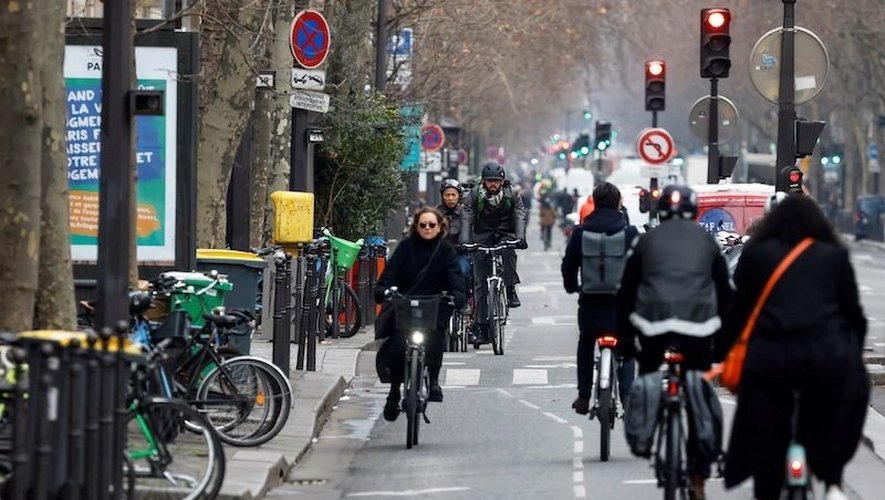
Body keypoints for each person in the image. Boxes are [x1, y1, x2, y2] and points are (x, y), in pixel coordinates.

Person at [718, 194, 868, 500]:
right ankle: (833, 479)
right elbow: (854, 316)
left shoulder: (757, 254)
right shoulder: (833, 255)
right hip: (823, 360)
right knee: (838, 410)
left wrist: (722, 351)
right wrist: (852, 351)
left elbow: (739, 312)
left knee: (763, 434)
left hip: (770, 361)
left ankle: (766, 484)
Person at [616, 184, 733, 500]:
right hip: (699, 326)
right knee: (699, 391)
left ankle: (647, 431)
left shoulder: (645, 241)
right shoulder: (707, 242)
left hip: (653, 325)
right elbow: (725, 294)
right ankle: (698, 474)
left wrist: (626, 342)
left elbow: (626, 292)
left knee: (649, 372)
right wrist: (724, 345)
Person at [375, 207, 466, 422]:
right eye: (423, 225)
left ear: (440, 227)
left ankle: (433, 382)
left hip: (434, 305)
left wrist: (457, 294)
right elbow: (390, 273)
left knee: (436, 337)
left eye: (431, 225)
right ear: (416, 226)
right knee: (397, 345)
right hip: (406, 304)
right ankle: (393, 392)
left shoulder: (445, 251)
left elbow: (455, 277)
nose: (427, 228)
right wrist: (383, 289)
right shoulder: (405, 248)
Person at [561, 182, 639, 415]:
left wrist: (572, 287)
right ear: (618, 204)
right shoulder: (629, 233)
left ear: (594, 202)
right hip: (622, 304)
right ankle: (628, 398)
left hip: (591, 303)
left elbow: (569, 265)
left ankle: (584, 396)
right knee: (627, 347)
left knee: (586, 343)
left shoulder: (580, 233)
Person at [460, 161, 528, 344]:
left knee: (509, 252)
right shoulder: (474, 195)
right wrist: (465, 241)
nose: (493, 184)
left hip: (505, 233)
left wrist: (520, 238)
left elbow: (520, 215)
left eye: (496, 181)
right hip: (482, 235)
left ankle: (510, 289)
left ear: (502, 181)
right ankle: (481, 327)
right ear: (483, 181)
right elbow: (466, 216)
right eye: (490, 181)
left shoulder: (512, 194)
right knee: (480, 283)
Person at [437, 178, 471, 292]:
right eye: (447, 195)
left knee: (463, 272)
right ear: (442, 196)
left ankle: (465, 297)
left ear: (459, 196)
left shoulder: (466, 213)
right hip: (440, 254)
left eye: (453, 195)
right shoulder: (436, 214)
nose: (450, 198)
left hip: (460, 254)